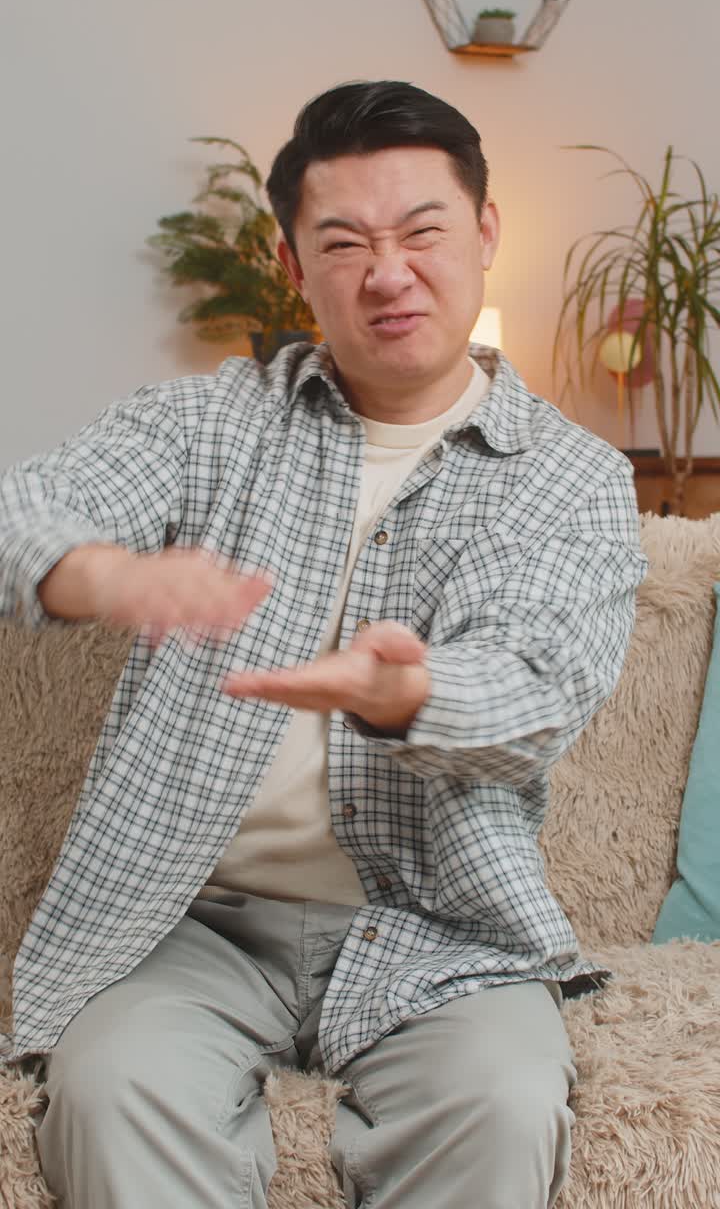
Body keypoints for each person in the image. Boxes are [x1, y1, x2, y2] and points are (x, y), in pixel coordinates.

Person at [0, 80, 647, 1209]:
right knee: (108, 1088)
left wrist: (407, 694)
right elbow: (23, 507)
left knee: (504, 1098)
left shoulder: (571, 478)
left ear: (486, 233)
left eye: (421, 232)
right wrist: (105, 572)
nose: (386, 273)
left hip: (440, 926)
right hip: (191, 915)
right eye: (343, 243)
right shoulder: (211, 421)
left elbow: (537, 691)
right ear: (296, 269)